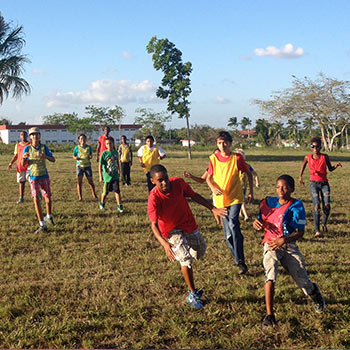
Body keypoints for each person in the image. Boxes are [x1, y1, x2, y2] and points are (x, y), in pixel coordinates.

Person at [148, 164, 227, 309]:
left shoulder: (178, 183)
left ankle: (186, 254)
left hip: (188, 224)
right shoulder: (153, 198)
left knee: (200, 250)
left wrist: (213, 208)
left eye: (165, 178)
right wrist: (165, 244)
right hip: (171, 231)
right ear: (153, 181)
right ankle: (192, 293)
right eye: (160, 181)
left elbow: (194, 195)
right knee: (186, 259)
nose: (164, 182)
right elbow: (154, 225)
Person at [253, 174, 325, 328]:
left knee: (302, 280)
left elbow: (300, 232)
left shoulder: (296, 205)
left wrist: (284, 240)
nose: (281, 190)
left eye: (285, 187)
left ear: (292, 189)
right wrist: (257, 223)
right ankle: (269, 315)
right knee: (270, 274)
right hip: (271, 243)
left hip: (288, 244)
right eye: (278, 187)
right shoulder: (268, 203)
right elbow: (262, 220)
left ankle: (313, 292)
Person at [206, 131, 254, 275]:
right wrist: (212, 187)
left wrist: (251, 191)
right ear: (217, 144)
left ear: (230, 143)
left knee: (233, 222)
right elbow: (208, 178)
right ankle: (237, 258)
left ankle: (241, 261)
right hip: (221, 200)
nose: (222, 145)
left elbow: (248, 174)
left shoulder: (237, 158)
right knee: (228, 233)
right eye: (220, 143)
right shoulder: (213, 158)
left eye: (225, 142)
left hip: (235, 198)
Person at [299, 137, 342, 237]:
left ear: (320, 147)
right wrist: (300, 177)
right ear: (311, 147)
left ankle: (324, 223)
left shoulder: (324, 157)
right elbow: (303, 166)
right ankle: (317, 230)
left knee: (327, 205)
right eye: (313, 146)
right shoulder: (308, 157)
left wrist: (336, 166)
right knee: (317, 205)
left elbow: (330, 169)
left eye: (317, 147)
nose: (315, 148)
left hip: (324, 184)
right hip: (313, 184)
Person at [22, 127, 56, 233]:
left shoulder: (44, 147)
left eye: (36, 134)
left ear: (39, 136)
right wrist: (24, 158)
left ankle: (49, 216)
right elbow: (23, 165)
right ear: (30, 137)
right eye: (32, 135)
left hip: (44, 176)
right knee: (36, 199)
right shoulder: (27, 149)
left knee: (48, 199)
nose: (35, 136)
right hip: (33, 177)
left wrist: (45, 156)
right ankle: (42, 224)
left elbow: (53, 159)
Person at [235, 149, 260, 221]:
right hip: (235, 186)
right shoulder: (233, 165)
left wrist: (257, 181)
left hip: (243, 186)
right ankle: (246, 215)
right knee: (242, 201)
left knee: (241, 200)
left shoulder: (247, 166)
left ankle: (241, 213)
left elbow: (254, 174)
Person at [99, 137, 123, 213]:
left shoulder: (116, 152)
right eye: (107, 144)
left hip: (115, 175)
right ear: (105, 145)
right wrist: (100, 176)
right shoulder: (104, 153)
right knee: (105, 192)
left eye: (110, 143)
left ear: (113, 144)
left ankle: (119, 206)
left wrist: (119, 171)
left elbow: (118, 163)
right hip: (107, 176)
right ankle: (102, 203)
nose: (109, 145)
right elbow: (100, 165)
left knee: (117, 191)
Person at [8, 130, 30, 203]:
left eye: (24, 135)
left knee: (32, 181)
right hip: (20, 166)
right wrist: (11, 163)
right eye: (21, 135)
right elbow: (16, 155)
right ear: (20, 136)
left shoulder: (30, 144)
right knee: (21, 182)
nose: (23, 136)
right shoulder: (17, 145)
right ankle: (21, 197)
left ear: (27, 136)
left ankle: (37, 194)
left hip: (29, 166)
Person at [73, 134, 97, 201]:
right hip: (79, 166)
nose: (82, 140)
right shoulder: (76, 147)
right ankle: (80, 197)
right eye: (81, 139)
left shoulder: (89, 147)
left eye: (84, 139)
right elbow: (73, 155)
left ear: (86, 140)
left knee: (91, 182)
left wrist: (90, 156)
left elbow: (91, 155)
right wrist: (76, 158)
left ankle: (94, 194)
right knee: (79, 182)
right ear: (79, 140)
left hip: (87, 166)